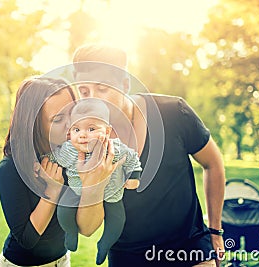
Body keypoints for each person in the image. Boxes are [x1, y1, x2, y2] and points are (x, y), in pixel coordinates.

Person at [71, 44, 226, 267]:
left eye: (102, 88)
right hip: (127, 258)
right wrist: (95, 182)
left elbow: (213, 163)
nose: (93, 99)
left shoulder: (174, 112)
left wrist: (215, 230)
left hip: (190, 251)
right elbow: (87, 228)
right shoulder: (85, 141)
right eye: (84, 91)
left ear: (125, 84)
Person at [44, 98, 142, 265]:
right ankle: (71, 232)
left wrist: (134, 176)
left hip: (112, 194)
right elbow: (54, 156)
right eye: (76, 129)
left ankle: (105, 244)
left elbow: (132, 158)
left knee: (117, 223)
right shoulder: (69, 150)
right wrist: (43, 161)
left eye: (91, 129)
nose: (82, 135)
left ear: (108, 131)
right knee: (63, 211)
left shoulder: (116, 149)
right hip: (77, 191)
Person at [0, 77, 77, 267]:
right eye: (58, 119)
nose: (71, 124)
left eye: (73, 112)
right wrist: (52, 191)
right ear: (33, 123)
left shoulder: (68, 154)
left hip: (62, 260)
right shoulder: (11, 169)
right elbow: (27, 239)